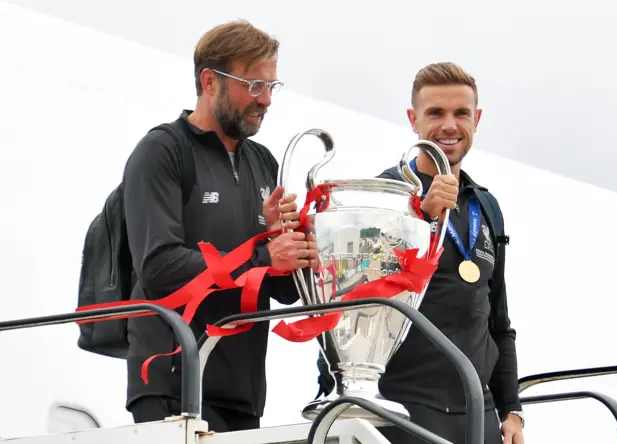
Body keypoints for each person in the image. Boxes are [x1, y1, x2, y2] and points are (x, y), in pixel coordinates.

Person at [121, 20, 315, 432]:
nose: (266, 100)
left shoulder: (262, 161)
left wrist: (299, 254)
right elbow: (158, 268)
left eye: (272, 87)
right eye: (253, 85)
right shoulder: (162, 151)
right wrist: (265, 257)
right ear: (210, 81)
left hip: (243, 391)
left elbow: (278, 289)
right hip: (173, 383)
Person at [316, 62, 525, 444]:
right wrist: (421, 220)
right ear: (413, 119)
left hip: (479, 414)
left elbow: (498, 318)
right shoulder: (383, 197)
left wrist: (512, 409)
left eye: (461, 113)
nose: (449, 125)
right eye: (436, 113)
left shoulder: (486, 207)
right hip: (401, 411)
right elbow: (351, 307)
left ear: (476, 120)